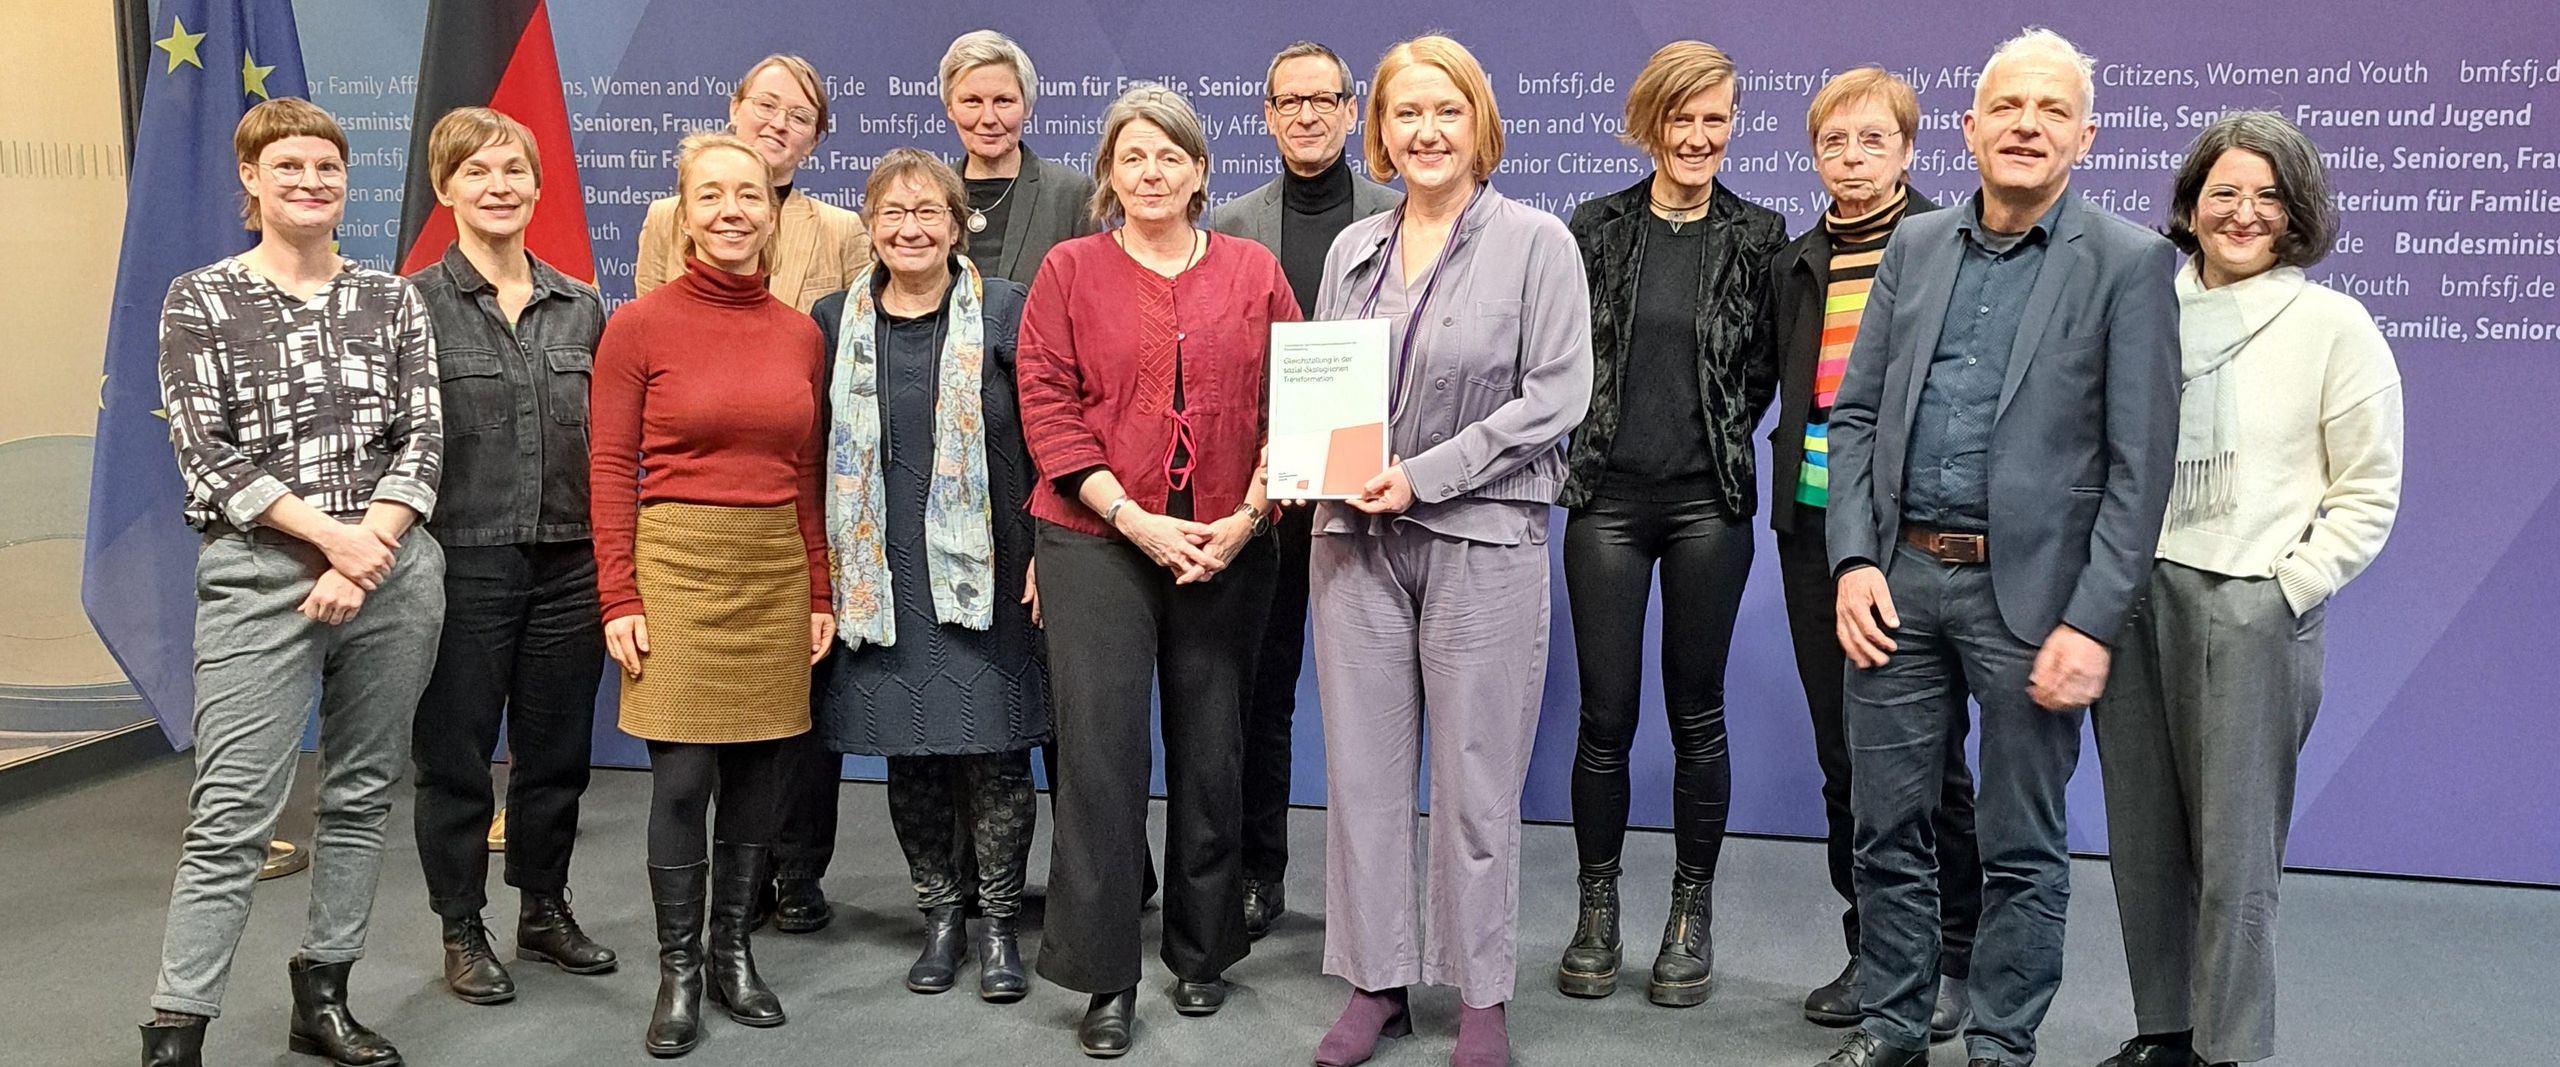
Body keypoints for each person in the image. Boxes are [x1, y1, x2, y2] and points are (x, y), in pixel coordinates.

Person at [1814, 28, 2180, 1067]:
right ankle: (1891, 1025)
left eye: (2051, 111)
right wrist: (1853, 560)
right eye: (2007, 108)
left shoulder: (2129, 262)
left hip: (2037, 604)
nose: (2026, 126)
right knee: (1887, 830)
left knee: (2020, 848)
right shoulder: (1915, 247)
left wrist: (2091, 619)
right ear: (1970, 129)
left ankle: (2001, 1045)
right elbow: (1850, 418)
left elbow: (2135, 466)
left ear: (2085, 135)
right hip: (1898, 583)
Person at [1304, 35, 1593, 1067]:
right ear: (1377, 130)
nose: (1425, 132)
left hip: (1481, 540)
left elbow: (1557, 395)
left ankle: (1480, 996)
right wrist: (1317, 464)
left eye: (1446, 112)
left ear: (1479, 125)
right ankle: (1376, 982)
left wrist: (1424, 473)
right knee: (1366, 779)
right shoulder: (1352, 250)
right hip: (1353, 542)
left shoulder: (1537, 244)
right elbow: (1326, 389)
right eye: (1404, 114)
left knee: (1475, 780)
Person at [2090, 112, 2402, 1067]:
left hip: (2253, 608)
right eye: (2224, 191)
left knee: (2234, 859)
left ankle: (2228, 1048)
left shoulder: (2331, 326)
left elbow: (2368, 488)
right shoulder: (2146, 307)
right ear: (2190, 204)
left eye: (2268, 195)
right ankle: (2167, 1031)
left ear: (2297, 211)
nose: (2244, 212)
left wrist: (2287, 588)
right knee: (2143, 841)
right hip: (2139, 597)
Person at [140, 97, 445, 1067]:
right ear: (252, 180)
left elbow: (424, 436)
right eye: (290, 168)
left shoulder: (390, 298)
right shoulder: (201, 298)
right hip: (260, 570)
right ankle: (176, 1026)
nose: (310, 182)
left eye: (327, 167)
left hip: (394, 569)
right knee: (231, 812)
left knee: (359, 791)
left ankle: (325, 994)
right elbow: (207, 452)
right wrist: (331, 541)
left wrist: (371, 545)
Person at [1016, 84, 1295, 1058]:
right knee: (1100, 760)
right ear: (1107, 172)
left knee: (1214, 748)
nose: (1149, 173)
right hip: (1096, 539)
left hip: (1226, 543)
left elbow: (1297, 411)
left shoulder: (1256, 271)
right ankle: (1104, 973)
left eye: (1168, 157)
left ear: (1199, 171)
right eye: (1131, 157)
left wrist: (1248, 516)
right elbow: (1046, 408)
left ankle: (1203, 944)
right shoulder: (1067, 268)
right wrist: (1133, 517)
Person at [589, 131, 835, 1058]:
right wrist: (619, 593)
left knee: (764, 776)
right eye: (712, 196)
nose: (733, 211)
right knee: (684, 776)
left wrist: (818, 585)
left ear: (772, 209)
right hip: (675, 562)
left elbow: (805, 472)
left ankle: (733, 952)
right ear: (683, 213)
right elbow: (610, 468)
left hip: (773, 566)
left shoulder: (800, 331)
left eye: (750, 196)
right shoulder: (638, 325)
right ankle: (679, 970)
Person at [1553, 39, 1786, 1010]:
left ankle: (1690, 911)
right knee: (1604, 717)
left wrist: (1720, 434)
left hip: (1706, 505)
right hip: (1606, 500)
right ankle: (1596, 908)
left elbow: (1766, 368)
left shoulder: (1760, 234)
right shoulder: (1594, 227)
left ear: (1731, 124)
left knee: (1698, 712)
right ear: (1648, 124)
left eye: (1714, 120)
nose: (1697, 137)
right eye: (1680, 119)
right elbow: (1560, 359)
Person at [1767, 68, 1979, 1041]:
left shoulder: (1949, 247)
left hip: (1913, 534)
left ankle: (1949, 955)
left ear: (1907, 149)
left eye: (1870, 140)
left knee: (1928, 762)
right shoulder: (1796, 259)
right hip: (1815, 531)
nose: (1850, 158)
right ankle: (1876, 946)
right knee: (1844, 755)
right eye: (1832, 143)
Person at [635, 56, 870, 933]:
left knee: (791, 734)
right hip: (686, 525)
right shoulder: (663, 235)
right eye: (763, 105)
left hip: (786, 505)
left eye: (799, 113)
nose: (778, 122)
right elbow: (645, 390)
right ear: (734, 109)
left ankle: (790, 877)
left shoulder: (841, 231)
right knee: (688, 768)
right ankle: (691, 949)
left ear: (816, 136)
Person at [809, 148, 1049, 1004]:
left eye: (928, 214)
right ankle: (939, 917)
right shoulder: (834, 318)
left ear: (958, 225)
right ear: (870, 228)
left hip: (991, 571)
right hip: (879, 577)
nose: (910, 229)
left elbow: (1049, 440)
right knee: (910, 756)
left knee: (995, 755)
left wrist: (1046, 557)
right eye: (892, 215)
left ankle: (996, 928)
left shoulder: (1010, 311)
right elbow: (813, 457)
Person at [406, 106, 616, 1008]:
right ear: (445, 189)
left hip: (570, 561)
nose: (499, 189)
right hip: (462, 562)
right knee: (455, 758)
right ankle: (461, 926)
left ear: (538, 186)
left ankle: (543, 905)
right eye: (477, 173)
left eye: (513, 173)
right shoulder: (409, 305)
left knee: (556, 752)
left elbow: (610, 443)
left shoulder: (583, 304)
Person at [1203, 39, 1400, 941]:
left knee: (1380, 701)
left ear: (1351, 109)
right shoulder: (1233, 224)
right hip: (1268, 497)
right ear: (1269, 114)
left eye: (1326, 100)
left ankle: (1380, 895)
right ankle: (1258, 871)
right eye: (1291, 101)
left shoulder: (1400, 215)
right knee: (1262, 694)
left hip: (1379, 495)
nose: (1309, 115)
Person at [943, 30, 1098, 287]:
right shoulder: (932, 194)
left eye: (1004, 101)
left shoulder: (1071, 193)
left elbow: (1090, 296)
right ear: (950, 108)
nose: (989, 118)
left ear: (1027, 107)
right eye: (972, 101)